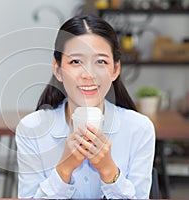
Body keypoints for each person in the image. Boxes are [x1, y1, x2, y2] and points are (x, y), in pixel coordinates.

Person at [15, 14, 155, 199]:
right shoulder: (31, 129)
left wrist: (108, 170)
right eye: (75, 61)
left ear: (115, 69)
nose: (88, 74)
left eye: (101, 61)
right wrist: (64, 169)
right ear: (57, 70)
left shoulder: (139, 129)